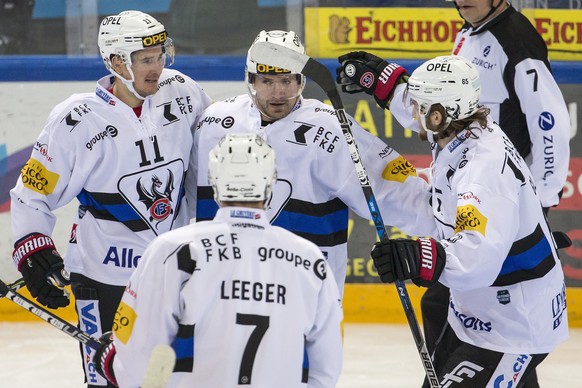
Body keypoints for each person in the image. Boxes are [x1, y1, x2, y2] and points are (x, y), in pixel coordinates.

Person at [335, 2, 571, 385]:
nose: (412, 110)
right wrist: (389, 85)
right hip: (482, 315)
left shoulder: (481, 170)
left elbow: (475, 256)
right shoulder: (462, 133)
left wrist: (419, 255)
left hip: (513, 328)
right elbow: (439, 211)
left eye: (418, 104)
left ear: (441, 115)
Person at [10, 10, 211, 387]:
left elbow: (209, 166)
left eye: (161, 55)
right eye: (146, 60)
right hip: (102, 278)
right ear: (118, 62)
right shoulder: (76, 120)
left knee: (180, 378)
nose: (158, 67)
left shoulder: (183, 92)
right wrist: (34, 253)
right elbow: (32, 196)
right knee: (105, 381)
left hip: (173, 274)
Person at [192, 29, 436, 298]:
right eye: (266, 81)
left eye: (287, 80)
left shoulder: (329, 128)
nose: (278, 92)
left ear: (301, 80)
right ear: (250, 80)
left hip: (307, 297)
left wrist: (447, 221)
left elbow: (393, 189)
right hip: (224, 291)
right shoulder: (214, 122)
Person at [92, 133, 344, 387]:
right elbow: (327, 369)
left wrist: (112, 361)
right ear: (270, 183)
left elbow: (139, 361)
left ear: (214, 183)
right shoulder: (309, 259)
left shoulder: (174, 250)